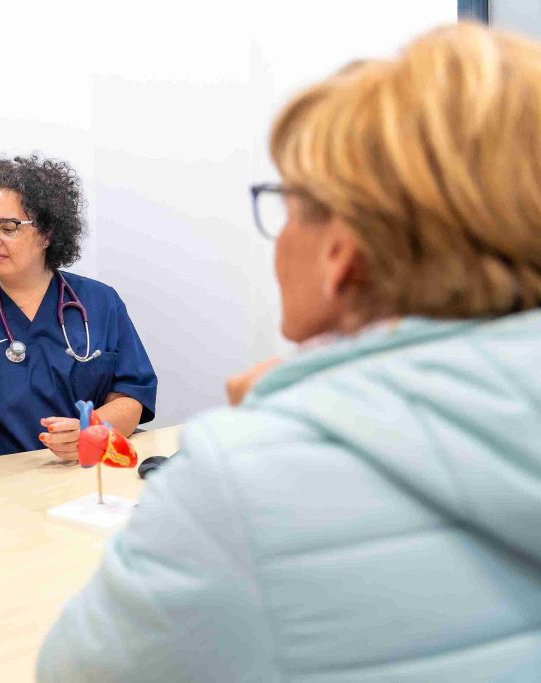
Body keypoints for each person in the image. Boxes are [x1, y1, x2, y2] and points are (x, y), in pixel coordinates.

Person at [38, 24, 541, 682]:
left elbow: (72, 669)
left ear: (340, 252)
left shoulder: (243, 483)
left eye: (286, 203)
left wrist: (268, 432)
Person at [0, 156, 157, 466]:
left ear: (47, 233)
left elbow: (132, 395)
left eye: (8, 228)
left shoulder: (100, 303)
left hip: (83, 476)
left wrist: (91, 429)